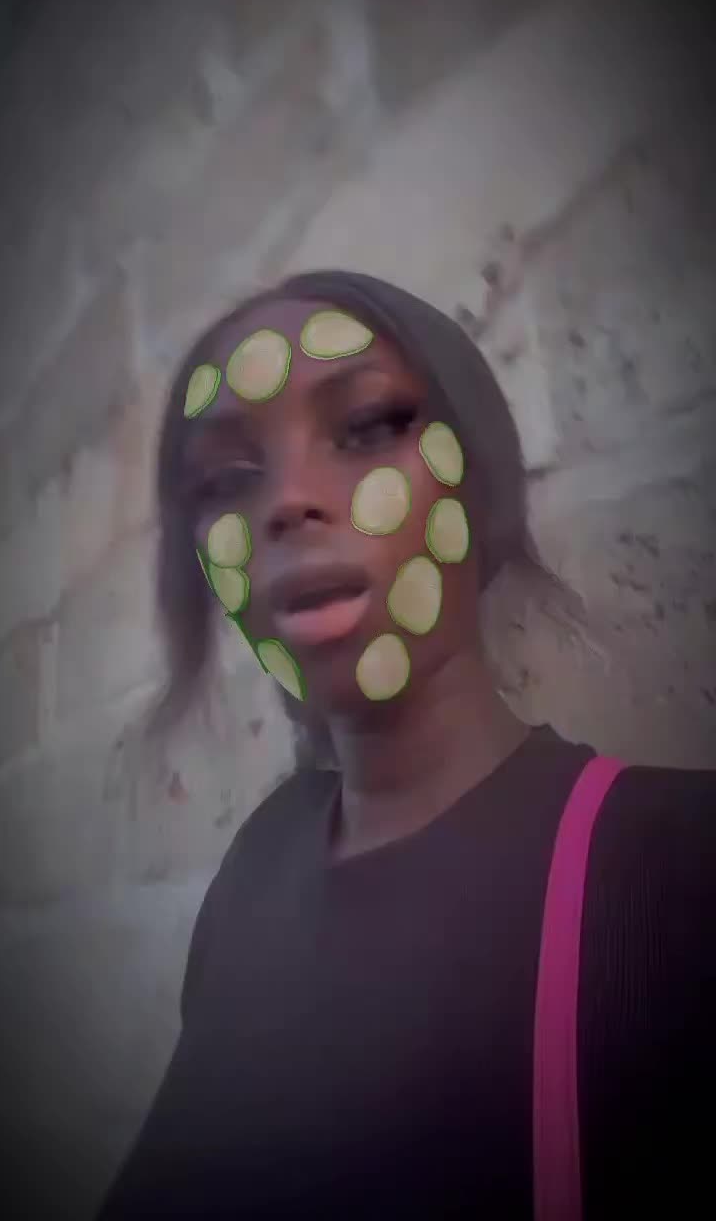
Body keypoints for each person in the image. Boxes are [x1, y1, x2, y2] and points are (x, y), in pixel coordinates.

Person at [96, 270, 716, 1219]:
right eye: (224, 479)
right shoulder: (254, 866)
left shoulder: (678, 871)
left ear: (482, 481)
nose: (286, 502)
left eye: (367, 425)